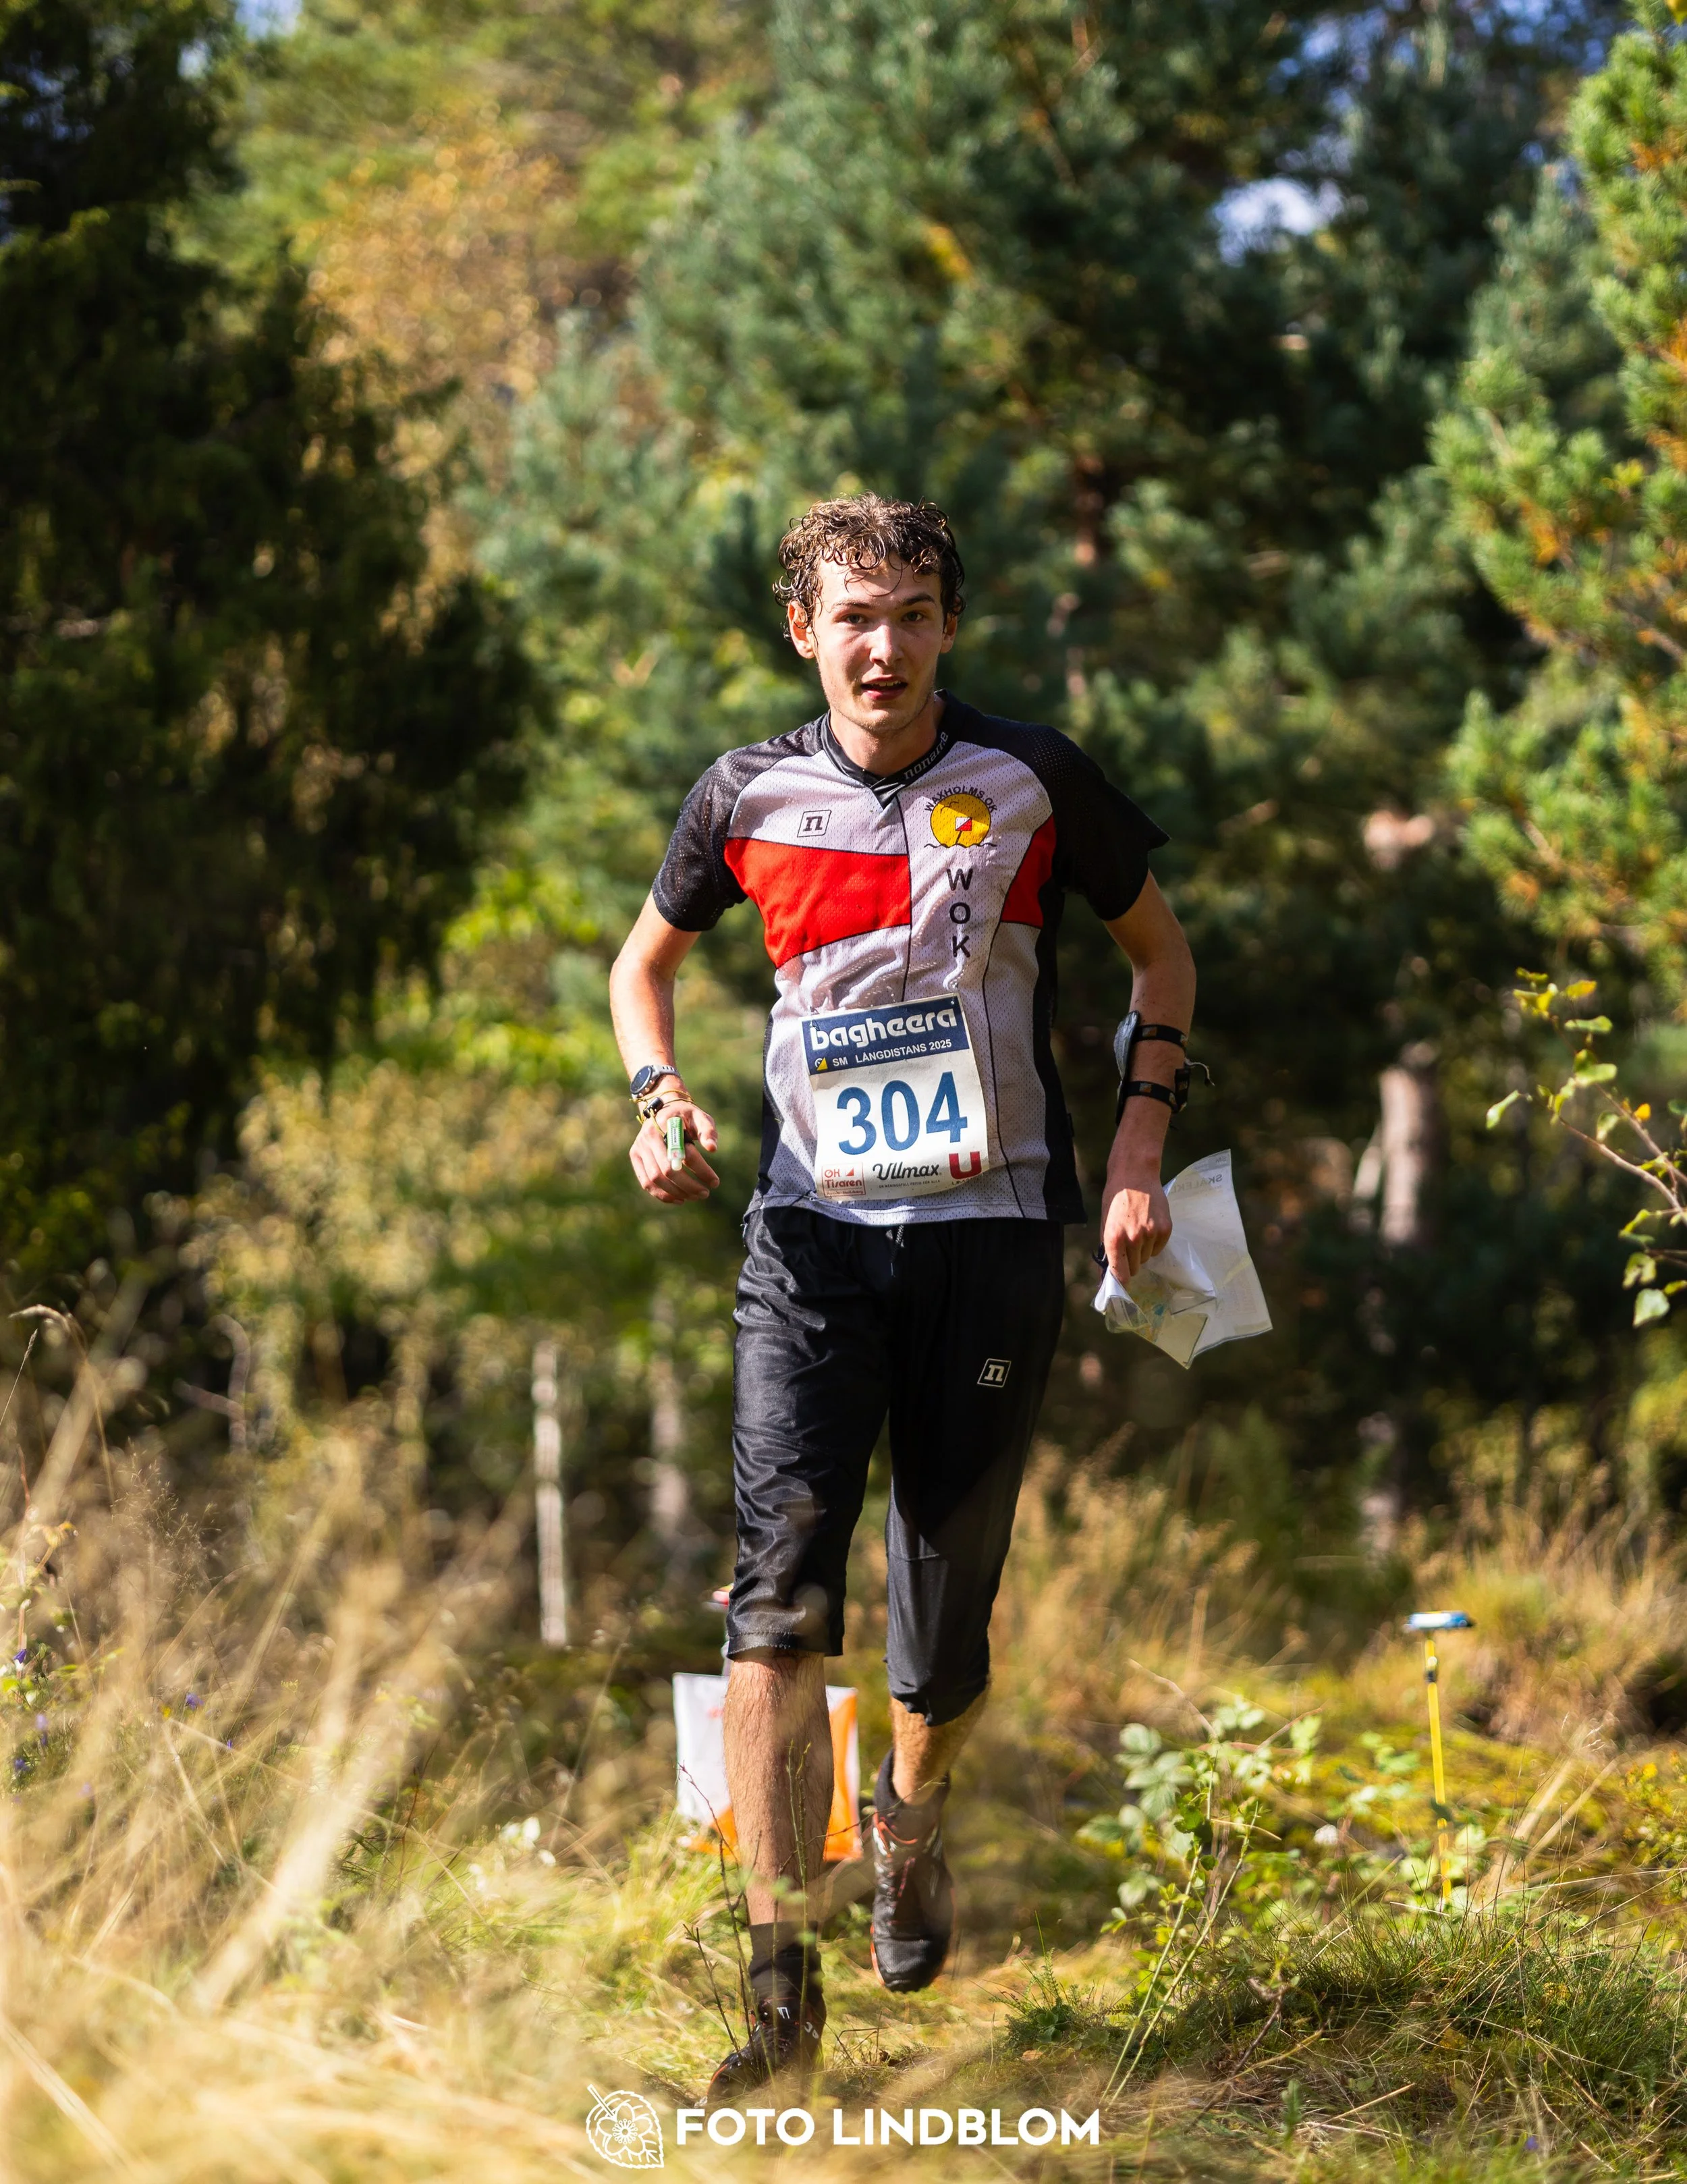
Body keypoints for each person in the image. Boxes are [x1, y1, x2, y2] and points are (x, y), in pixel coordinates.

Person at [608, 494, 1195, 2100]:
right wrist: (657, 1104)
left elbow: (1163, 959)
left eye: (915, 613)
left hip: (993, 1238)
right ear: (802, 629)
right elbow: (637, 966)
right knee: (774, 1603)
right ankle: (778, 1994)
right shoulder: (743, 792)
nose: (886, 644)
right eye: (854, 616)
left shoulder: (1032, 780)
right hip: (811, 1240)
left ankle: (908, 1824)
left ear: (948, 627)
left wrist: (1138, 1142)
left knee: (942, 1615)